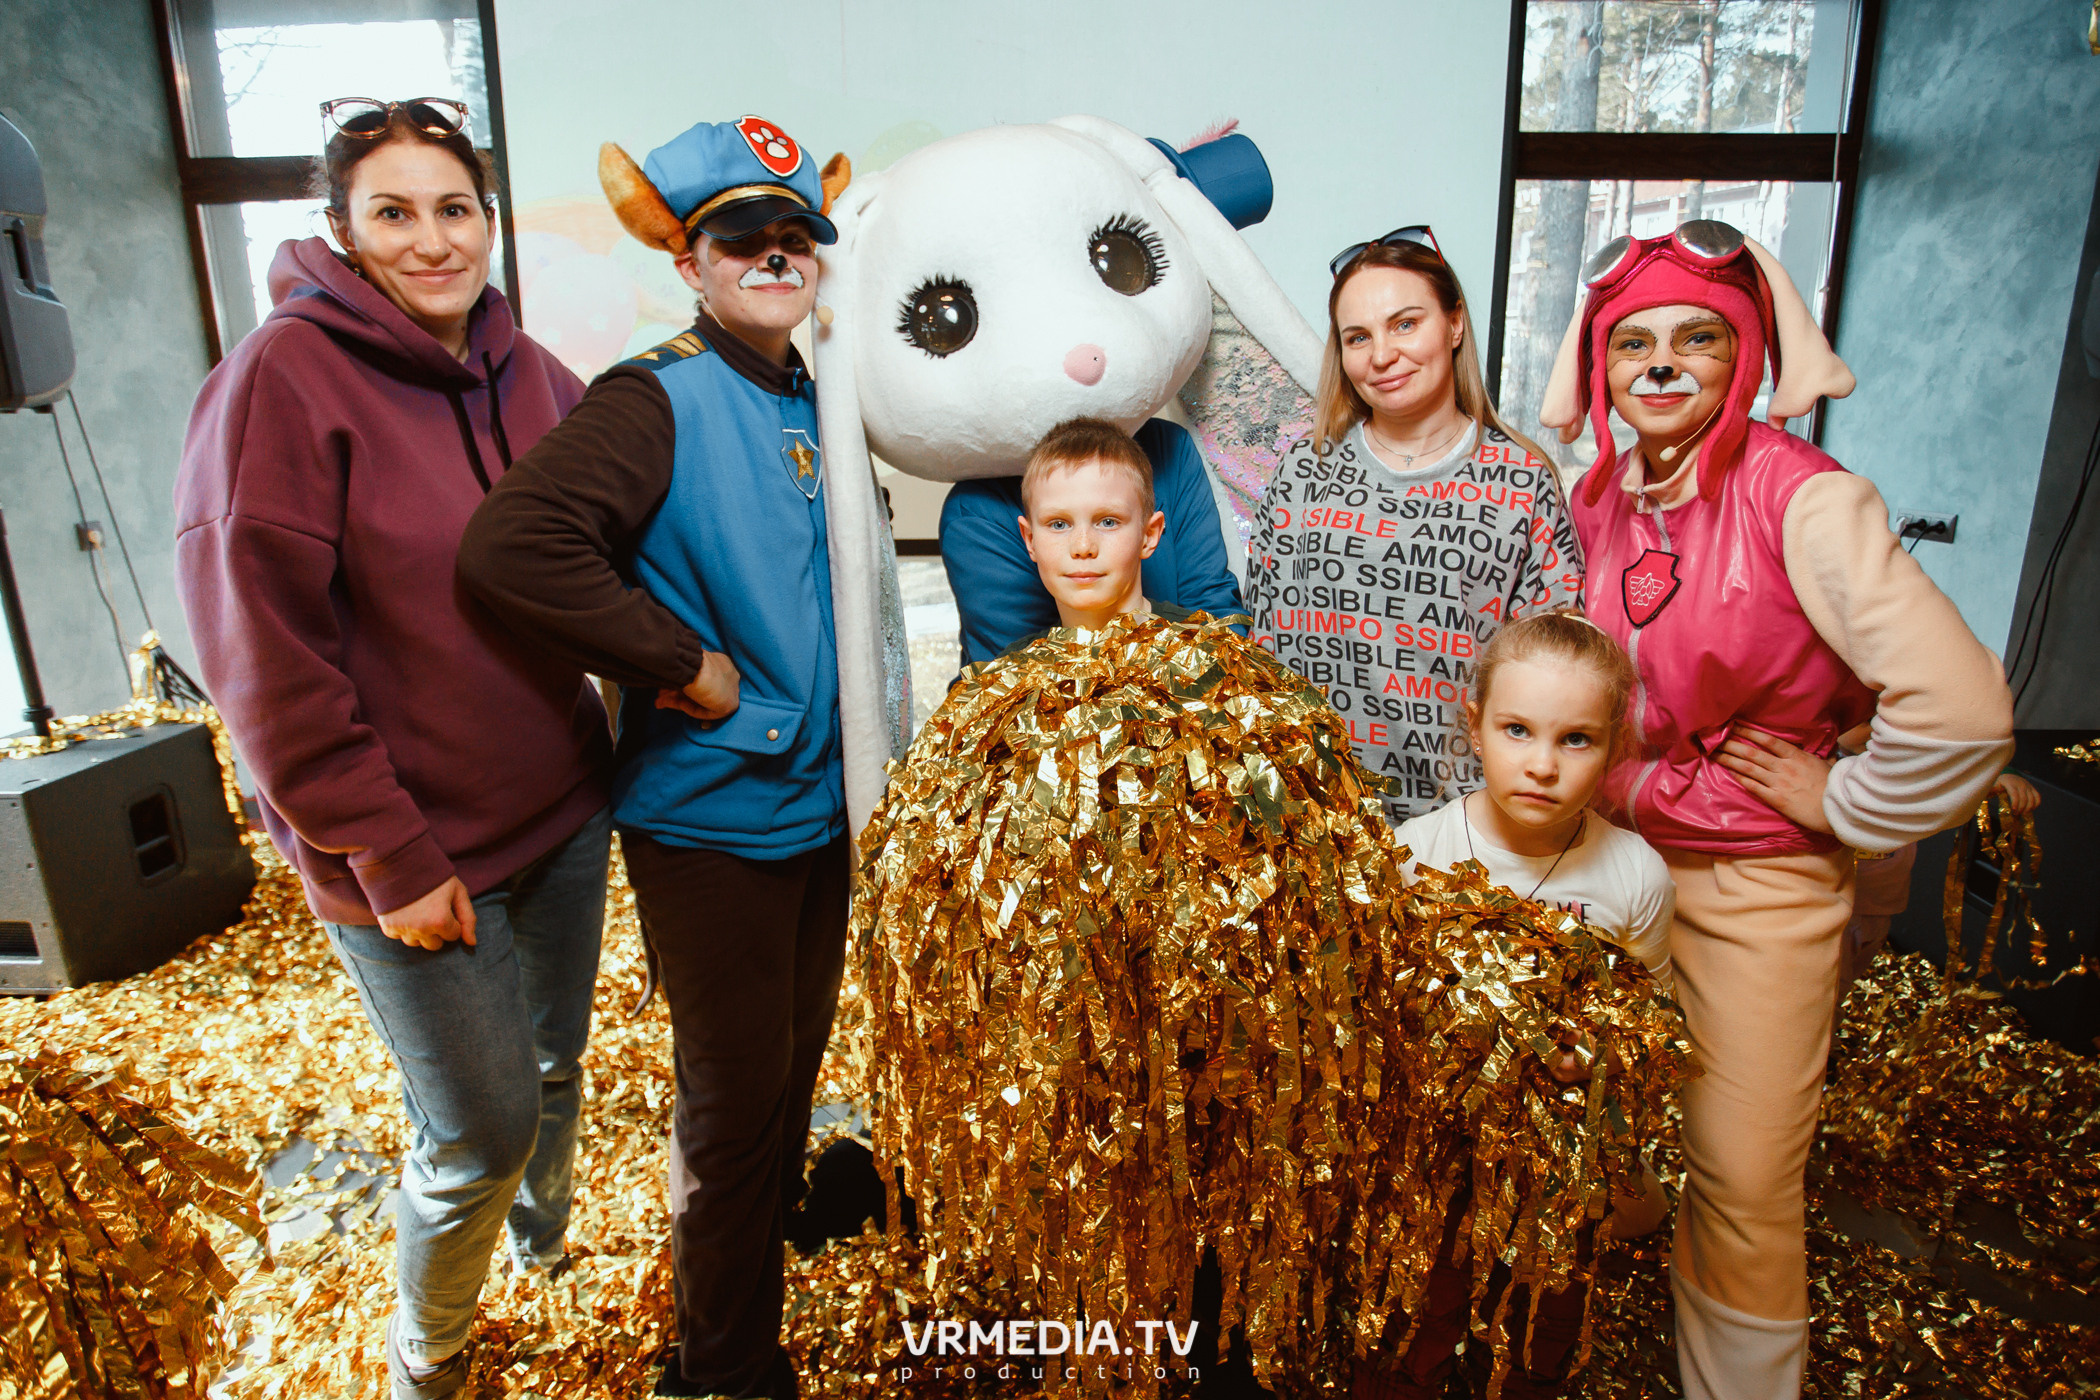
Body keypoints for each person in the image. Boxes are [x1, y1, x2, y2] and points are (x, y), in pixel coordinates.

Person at [173, 97, 612, 1400]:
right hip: (413, 851)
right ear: (344, 231)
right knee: (478, 1127)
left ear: (488, 218)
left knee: (555, 1068)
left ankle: (546, 1253)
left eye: (454, 208)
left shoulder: (530, 374)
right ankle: (431, 1352)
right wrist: (388, 851)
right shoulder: (281, 380)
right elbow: (267, 665)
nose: (432, 240)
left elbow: (622, 538)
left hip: (561, 807)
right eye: (394, 212)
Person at [1538, 218, 2014, 1400]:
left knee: (1744, 1180)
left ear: (1746, 353)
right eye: (1632, 341)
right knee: (1594, 1115)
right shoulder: (1593, 497)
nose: (1661, 364)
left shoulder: (1806, 500)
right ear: (1601, 367)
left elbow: (1962, 710)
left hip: (1754, 882)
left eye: (1697, 336)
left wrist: (1850, 797)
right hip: (1605, 864)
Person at [456, 116, 894, 1400]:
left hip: (813, 807)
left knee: (779, 1084)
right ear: (689, 263)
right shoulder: (654, 393)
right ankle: (722, 1371)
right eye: (736, 237)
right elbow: (512, 548)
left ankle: (726, 1311)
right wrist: (680, 662)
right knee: (734, 1104)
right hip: (712, 818)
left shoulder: (816, 391)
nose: (772, 253)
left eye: (792, 234)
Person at [1358, 611, 1674, 1399]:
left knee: (1540, 1334)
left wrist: (1592, 1062)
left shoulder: (1634, 873)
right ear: (1474, 726)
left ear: (1615, 747)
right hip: (1433, 1169)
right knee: (1414, 1328)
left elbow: (1653, 1026)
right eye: (1518, 730)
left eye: (1576, 740)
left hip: (1560, 1176)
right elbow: (1378, 1016)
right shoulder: (1418, 853)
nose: (1542, 765)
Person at [1247, 227, 1583, 825]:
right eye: (1358, 337)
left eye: (1405, 324)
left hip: (1459, 832)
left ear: (1454, 324)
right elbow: (1263, 650)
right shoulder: (1302, 470)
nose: (1381, 355)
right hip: (1308, 825)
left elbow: (1558, 674)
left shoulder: (1521, 480)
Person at [942, 419, 1244, 663]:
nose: (1083, 546)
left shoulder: (1212, 655)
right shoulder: (1007, 677)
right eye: (1059, 524)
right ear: (1030, 540)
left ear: (1149, 535)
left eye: (1108, 521)